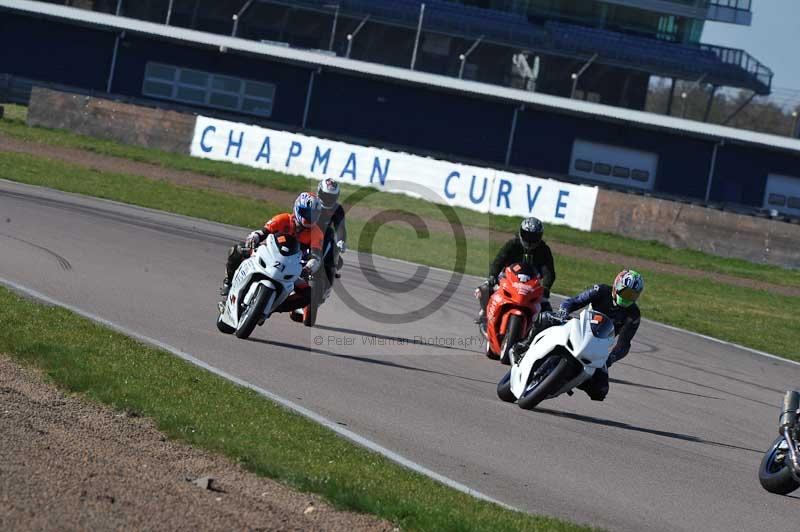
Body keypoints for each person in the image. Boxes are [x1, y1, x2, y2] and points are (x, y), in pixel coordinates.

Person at [513, 269, 644, 401]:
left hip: (598, 347)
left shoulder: (633, 315)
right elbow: (573, 301)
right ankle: (526, 346)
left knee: (600, 391)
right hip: (580, 330)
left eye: (632, 295)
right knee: (545, 318)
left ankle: (567, 380)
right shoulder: (601, 290)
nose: (628, 297)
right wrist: (563, 313)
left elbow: (624, 344)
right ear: (617, 286)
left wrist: (610, 359)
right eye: (626, 292)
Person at [220, 192, 324, 316]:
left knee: (309, 295)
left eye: (313, 215)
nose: (309, 217)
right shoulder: (283, 219)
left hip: (292, 268)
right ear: (297, 208)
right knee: (237, 250)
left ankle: (274, 306)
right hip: (267, 256)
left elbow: (316, 257)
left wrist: (308, 268)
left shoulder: (316, 233)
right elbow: (263, 231)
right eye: (306, 213)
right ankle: (228, 283)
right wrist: (254, 237)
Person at [476, 217, 556, 331]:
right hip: (508, 278)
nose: (530, 241)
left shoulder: (544, 250)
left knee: (547, 311)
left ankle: (539, 334)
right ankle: (484, 313)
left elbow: (549, 272)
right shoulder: (513, 244)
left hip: (531, 284)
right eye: (527, 236)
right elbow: (499, 261)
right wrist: (492, 276)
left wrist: (546, 287)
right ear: (521, 233)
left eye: (534, 237)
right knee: (484, 289)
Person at [316, 178, 347, 280]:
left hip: (326, 236)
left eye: (331, 197)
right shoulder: (311, 201)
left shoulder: (337, 209)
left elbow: (340, 227)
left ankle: (326, 283)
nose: (328, 199)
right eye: (326, 195)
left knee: (338, 262)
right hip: (307, 233)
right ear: (320, 192)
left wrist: (341, 241)